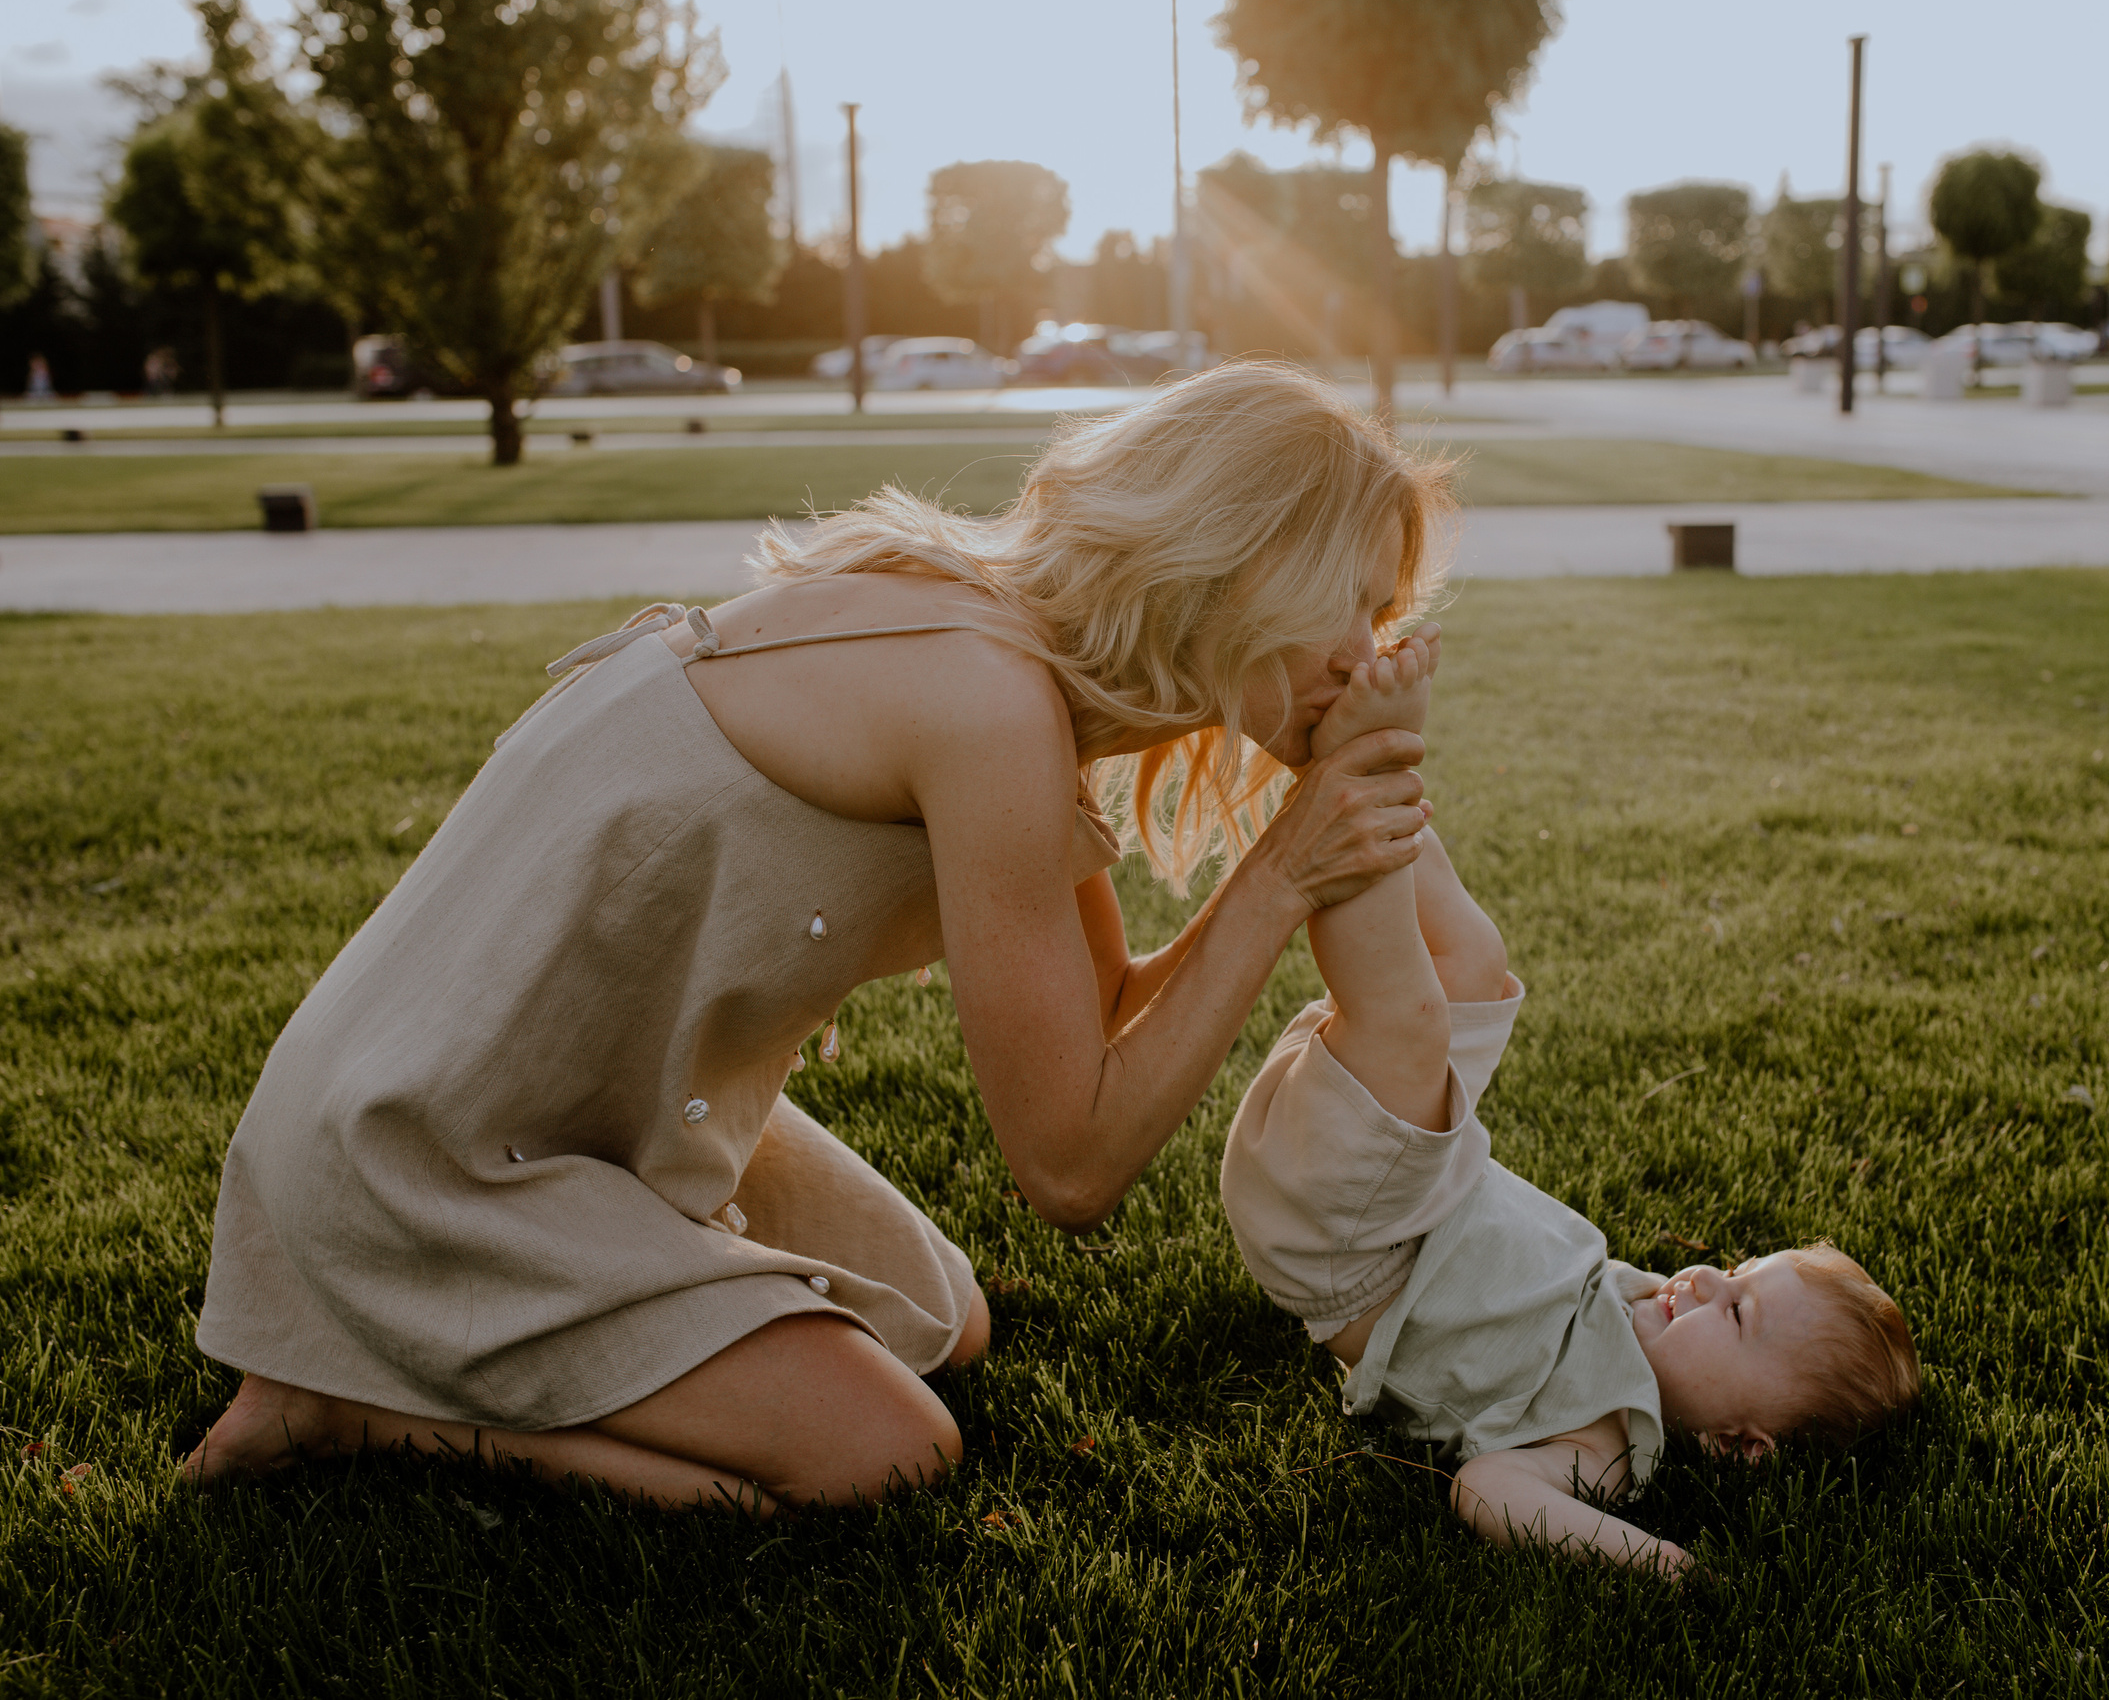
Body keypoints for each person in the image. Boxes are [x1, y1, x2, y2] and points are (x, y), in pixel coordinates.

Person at [186, 359, 1456, 1513]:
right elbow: (1070, 1167)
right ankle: (354, 1406)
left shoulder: (1010, 658)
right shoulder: (984, 697)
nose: (1369, 651)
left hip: (599, 1104)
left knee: (941, 1318)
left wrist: (1292, 843)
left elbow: (1109, 1005)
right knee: (886, 1454)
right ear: (1240, 562)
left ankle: (562, 1314)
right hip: (426, 1139)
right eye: (1348, 601)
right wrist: (1284, 875)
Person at [1219, 643, 1919, 1576]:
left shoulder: (1615, 1442)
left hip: (1354, 1241)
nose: (1709, 1277)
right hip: (1417, 1179)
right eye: (1741, 1268)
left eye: (1741, 1311)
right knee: (1476, 962)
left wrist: (1661, 1561)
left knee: (1412, 1015)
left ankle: (1357, 773)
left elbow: (1487, 1490)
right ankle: (1339, 760)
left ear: (1740, 1444)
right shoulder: (1642, 1310)